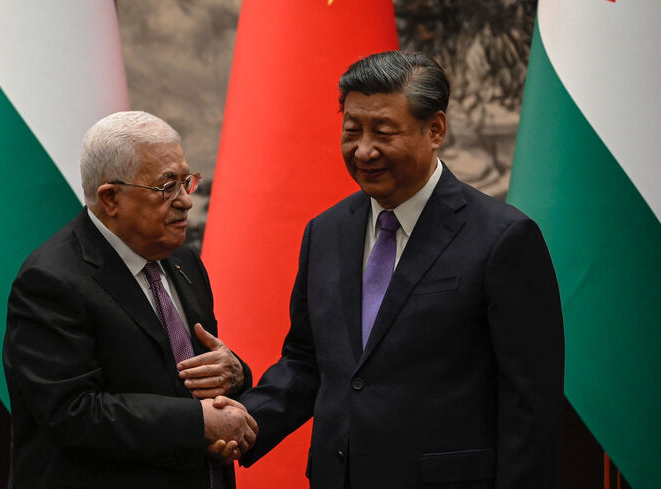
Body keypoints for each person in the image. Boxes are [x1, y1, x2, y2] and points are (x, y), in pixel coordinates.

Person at [231, 51, 565, 488]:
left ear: (435, 130)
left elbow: (531, 404)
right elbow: (308, 361)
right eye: (352, 131)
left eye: (383, 132)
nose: (364, 150)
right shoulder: (326, 232)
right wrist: (240, 423)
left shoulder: (503, 239)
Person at [3, 111, 257, 488]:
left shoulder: (183, 260)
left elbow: (184, 379)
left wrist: (236, 375)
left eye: (187, 181)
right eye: (167, 187)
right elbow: (73, 412)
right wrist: (199, 423)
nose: (186, 201)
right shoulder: (51, 280)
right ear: (110, 199)